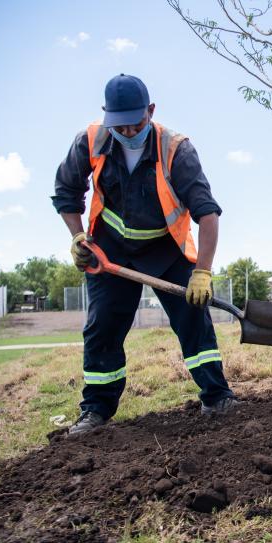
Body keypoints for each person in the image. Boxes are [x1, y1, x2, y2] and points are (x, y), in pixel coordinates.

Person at [52, 74, 238, 435]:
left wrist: (202, 272)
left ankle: (217, 397)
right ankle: (96, 411)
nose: (126, 131)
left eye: (135, 123)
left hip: (166, 247)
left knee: (193, 317)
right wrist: (78, 236)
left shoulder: (175, 148)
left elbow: (207, 214)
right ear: (107, 116)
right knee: (102, 325)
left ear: (150, 111)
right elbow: (66, 192)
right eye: (118, 125)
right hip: (110, 251)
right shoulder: (91, 139)